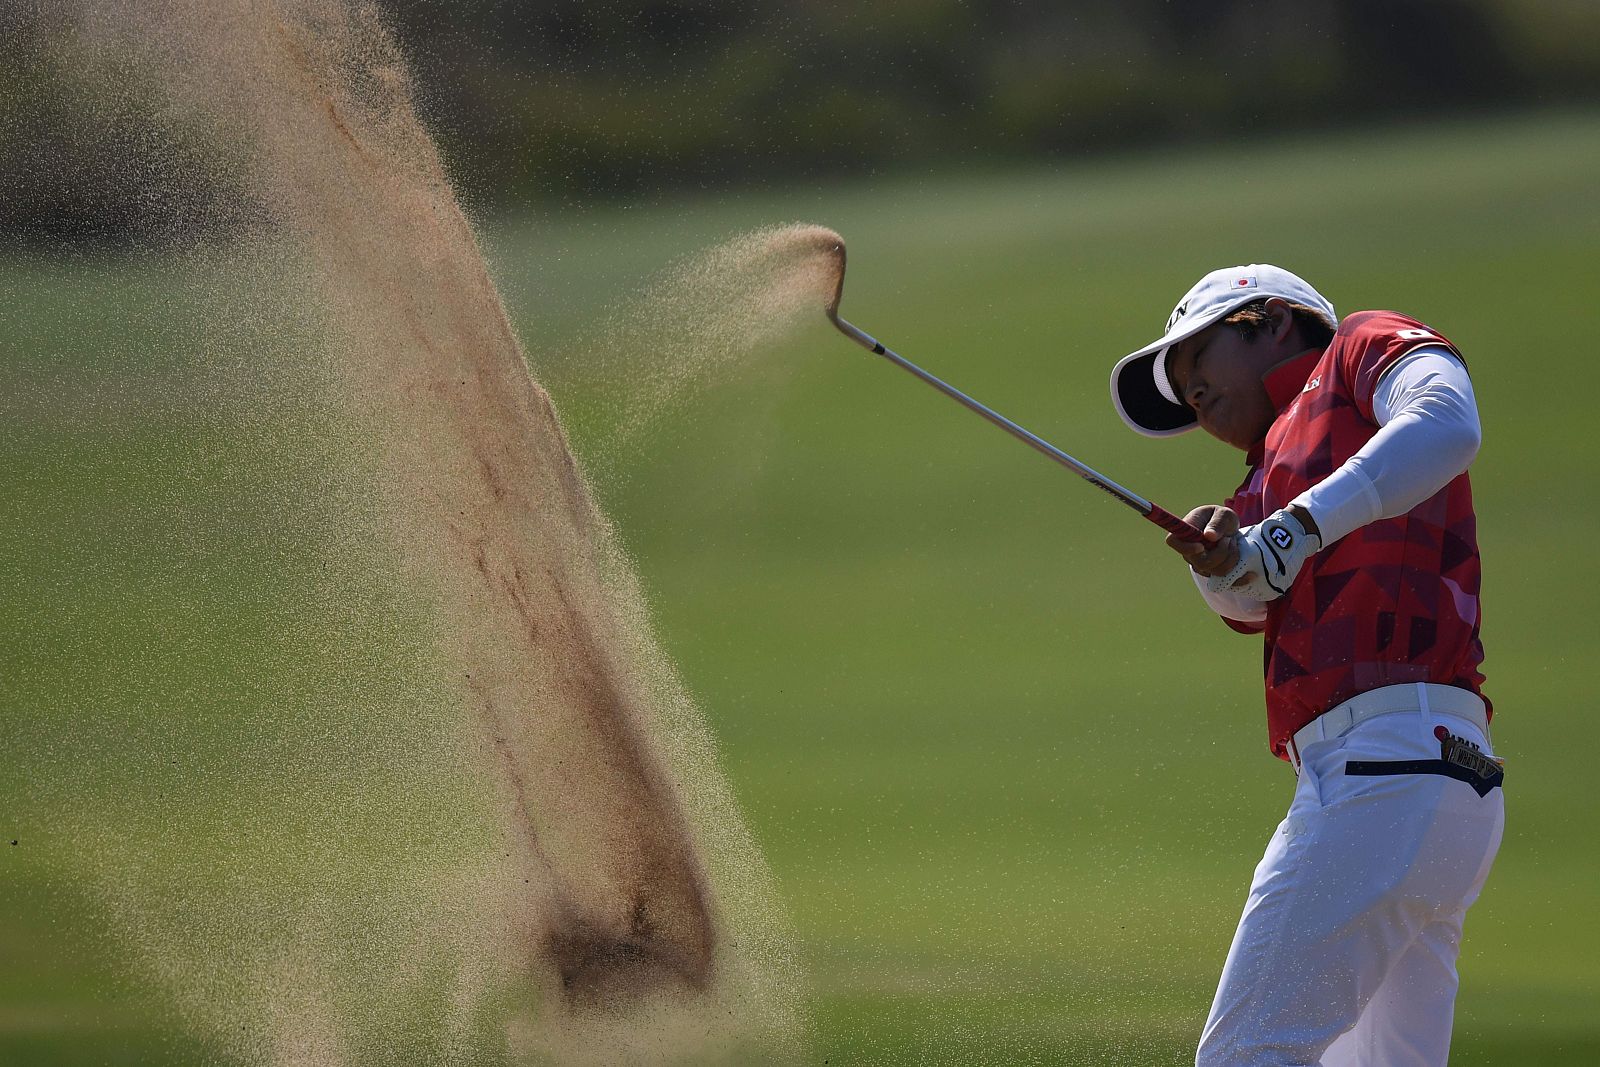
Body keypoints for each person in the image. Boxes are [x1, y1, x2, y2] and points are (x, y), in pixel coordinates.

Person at [1109, 265, 1505, 1066]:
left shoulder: (1359, 347)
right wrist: (1217, 563)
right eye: (1181, 389)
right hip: (1441, 781)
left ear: (1271, 320)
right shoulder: (1262, 478)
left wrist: (1288, 532)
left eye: (1198, 357)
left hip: (1383, 771)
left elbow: (1446, 423)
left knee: (1248, 1055)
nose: (1189, 391)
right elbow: (1251, 601)